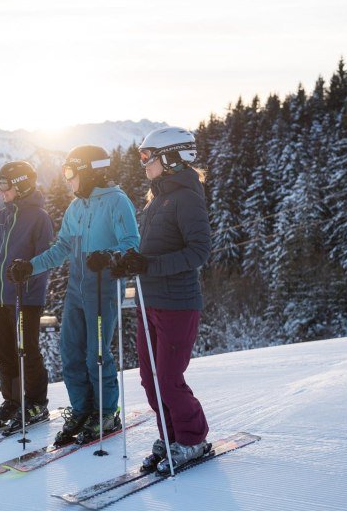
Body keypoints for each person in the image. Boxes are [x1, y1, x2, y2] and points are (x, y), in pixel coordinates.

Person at [7, 145, 139, 446]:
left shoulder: (117, 202)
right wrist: (30, 267)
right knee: (70, 353)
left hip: (103, 290)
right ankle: (82, 410)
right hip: (77, 291)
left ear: (89, 171)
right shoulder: (76, 207)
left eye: (71, 173)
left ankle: (106, 412)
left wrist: (108, 256)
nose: (68, 180)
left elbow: (132, 244)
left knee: (97, 354)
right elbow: (62, 249)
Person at [111, 126, 211, 474]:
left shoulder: (186, 197)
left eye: (147, 156)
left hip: (177, 304)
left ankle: (193, 438)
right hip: (149, 301)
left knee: (168, 378)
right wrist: (127, 261)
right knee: (149, 379)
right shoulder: (159, 197)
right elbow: (151, 250)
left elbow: (199, 252)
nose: (143, 163)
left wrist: (148, 265)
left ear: (170, 156)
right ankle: (170, 437)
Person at [0, 160, 54, 433]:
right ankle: (13, 400)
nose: (1, 192)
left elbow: (45, 258)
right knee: (4, 352)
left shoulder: (39, 218)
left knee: (27, 352)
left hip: (25, 298)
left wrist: (28, 283)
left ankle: (36, 402)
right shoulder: (2, 216)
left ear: (20, 186)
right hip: (0, 298)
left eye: (5, 186)